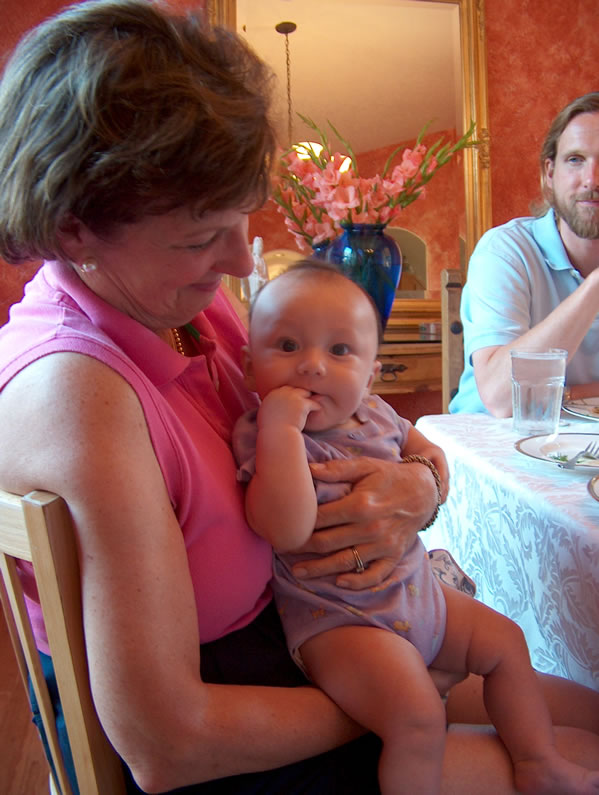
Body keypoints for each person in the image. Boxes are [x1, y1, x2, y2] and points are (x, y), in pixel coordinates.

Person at [0, 1, 598, 792]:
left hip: (314, 646)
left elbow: (361, 424)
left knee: (585, 708)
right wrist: (409, 692)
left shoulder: (180, 300)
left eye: (238, 221)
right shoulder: (76, 391)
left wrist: (420, 483)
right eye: (198, 235)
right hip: (243, 728)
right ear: (75, 229)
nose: (242, 263)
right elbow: (167, 744)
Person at [234, 261, 599, 795]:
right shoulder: (264, 436)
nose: (311, 367)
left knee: (506, 641)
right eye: (287, 347)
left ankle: (537, 760)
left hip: (415, 593)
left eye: (338, 351)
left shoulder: (376, 413)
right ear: (248, 367)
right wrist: (282, 430)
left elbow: (422, 443)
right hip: (340, 622)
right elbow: (285, 529)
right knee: (419, 718)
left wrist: (423, 470)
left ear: (370, 372)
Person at [450, 92, 599, 416]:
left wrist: (566, 395)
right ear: (549, 173)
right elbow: (503, 399)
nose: (592, 179)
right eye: (575, 160)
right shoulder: (504, 252)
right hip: (489, 452)